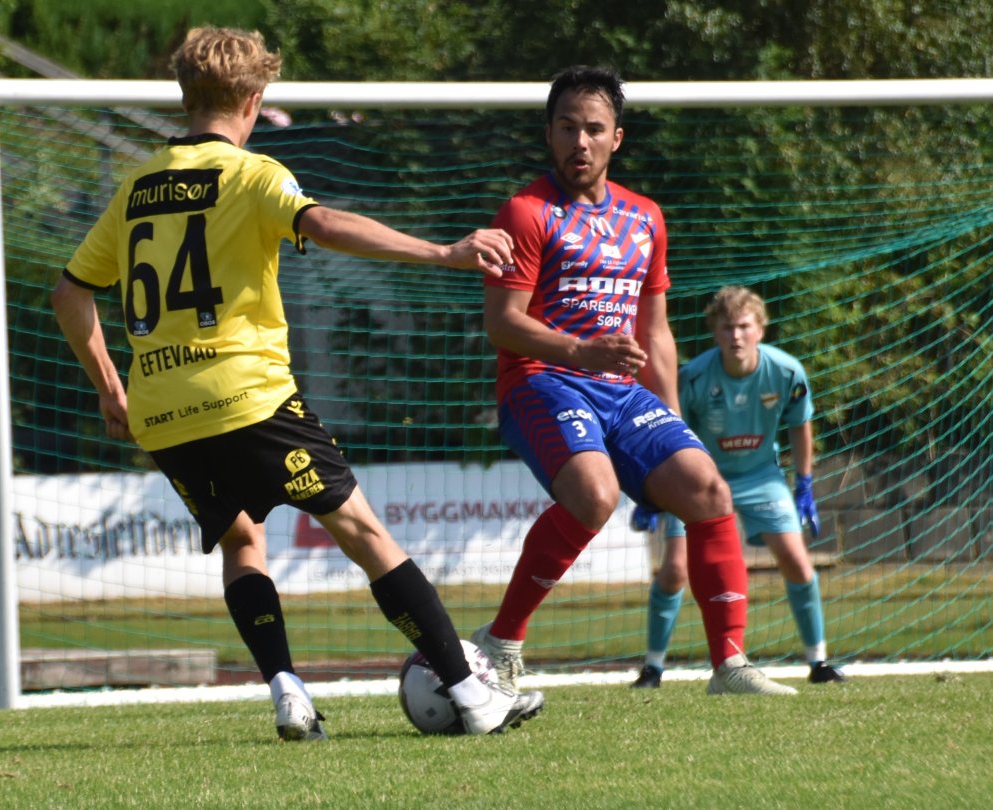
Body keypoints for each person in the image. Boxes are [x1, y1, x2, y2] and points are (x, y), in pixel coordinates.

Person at [51, 26, 543, 740]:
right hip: (246, 395)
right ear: (252, 101)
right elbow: (325, 222)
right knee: (363, 530)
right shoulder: (252, 174)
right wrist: (443, 251)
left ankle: (287, 691)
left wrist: (109, 387)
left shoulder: (135, 187)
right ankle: (471, 692)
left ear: (186, 97)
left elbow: (69, 293)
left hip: (163, 410)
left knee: (242, 543)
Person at [471, 65, 796, 696]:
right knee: (594, 496)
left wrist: (674, 423)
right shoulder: (525, 211)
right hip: (542, 381)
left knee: (707, 488)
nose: (580, 142)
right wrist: (581, 351)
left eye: (594, 128)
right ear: (550, 133)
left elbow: (656, 333)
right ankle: (502, 642)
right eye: (567, 127)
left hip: (622, 394)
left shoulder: (645, 217)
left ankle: (729, 665)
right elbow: (502, 324)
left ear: (616, 138)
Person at [630, 286, 846, 688]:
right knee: (674, 569)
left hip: (760, 477)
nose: (736, 336)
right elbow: (670, 431)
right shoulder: (694, 377)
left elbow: (801, 427)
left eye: (745, 326)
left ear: (761, 330)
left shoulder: (786, 372)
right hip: (702, 483)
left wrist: (804, 485)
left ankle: (819, 663)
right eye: (728, 327)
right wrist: (654, 490)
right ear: (715, 332)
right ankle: (653, 668)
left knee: (797, 561)